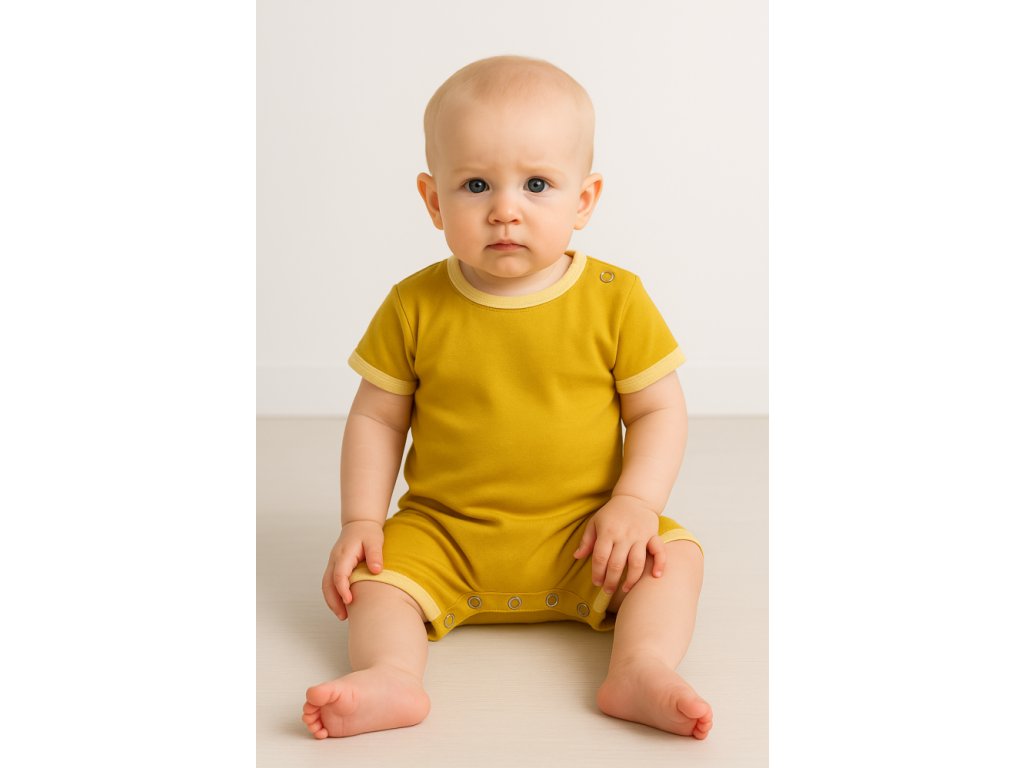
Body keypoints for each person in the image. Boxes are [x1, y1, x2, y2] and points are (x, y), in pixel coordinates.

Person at [301, 55, 713, 740]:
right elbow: (377, 417)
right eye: (476, 185)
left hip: (587, 532)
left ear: (584, 199)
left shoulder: (617, 299)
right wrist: (361, 519)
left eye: (537, 184)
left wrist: (636, 503)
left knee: (675, 559)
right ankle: (391, 675)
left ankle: (640, 665)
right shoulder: (413, 304)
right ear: (434, 201)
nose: (504, 210)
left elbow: (658, 410)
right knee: (374, 579)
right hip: (444, 530)